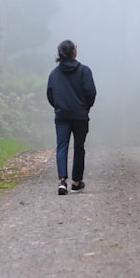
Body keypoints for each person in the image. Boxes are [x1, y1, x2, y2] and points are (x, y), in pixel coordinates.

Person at [46, 39, 96, 195]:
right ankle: (76, 182)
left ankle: (62, 181)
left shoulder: (54, 74)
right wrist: (84, 108)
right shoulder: (84, 71)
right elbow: (91, 93)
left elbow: (50, 95)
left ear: (60, 54)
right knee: (79, 147)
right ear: (74, 52)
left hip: (61, 115)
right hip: (80, 115)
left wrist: (59, 107)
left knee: (62, 146)